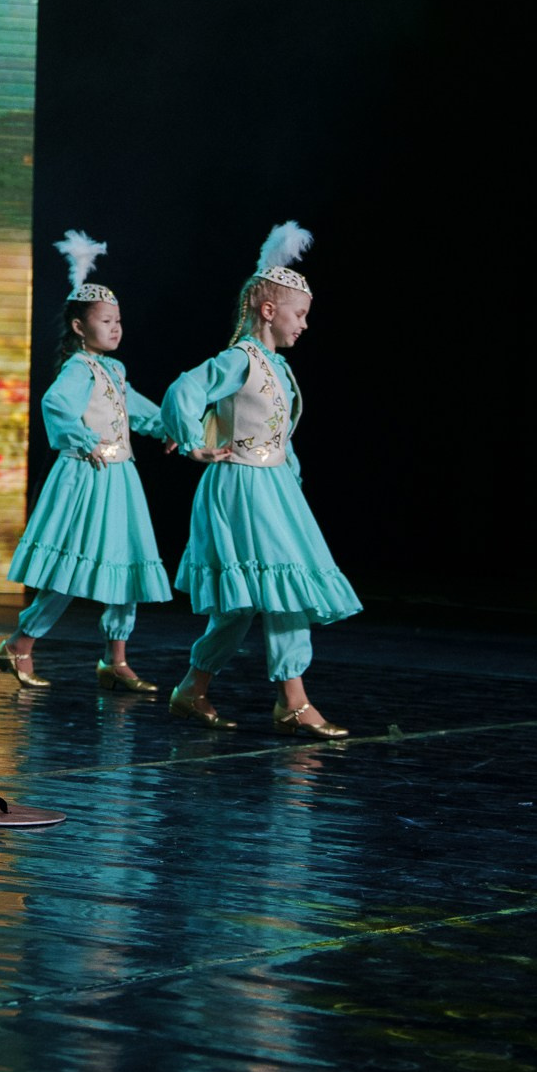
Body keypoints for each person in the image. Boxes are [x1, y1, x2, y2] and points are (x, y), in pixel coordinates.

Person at [162, 222, 359, 735]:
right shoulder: (240, 360)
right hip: (240, 487)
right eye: (299, 314)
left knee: (252, 599)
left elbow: (278, 434)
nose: (305, 325)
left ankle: (193, 689)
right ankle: (292, 701)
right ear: (268, 311)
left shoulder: (276, 367)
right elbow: (185, 391)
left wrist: (289, 477)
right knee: (273, 589)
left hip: (272, 488)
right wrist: (192, 441)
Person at [0, 230, 175, 693]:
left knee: (128, 565)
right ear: (79, 327)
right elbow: (56, 405)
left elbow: (135, 408)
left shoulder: (113, 369)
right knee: (71, 568)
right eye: (105, 320)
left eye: (118, 321)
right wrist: (83, 439)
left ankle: (115, 657)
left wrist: (169, 427)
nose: (116, 328)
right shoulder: (78, 368)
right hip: (88, 474)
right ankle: (20, 643)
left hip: (119, 477)